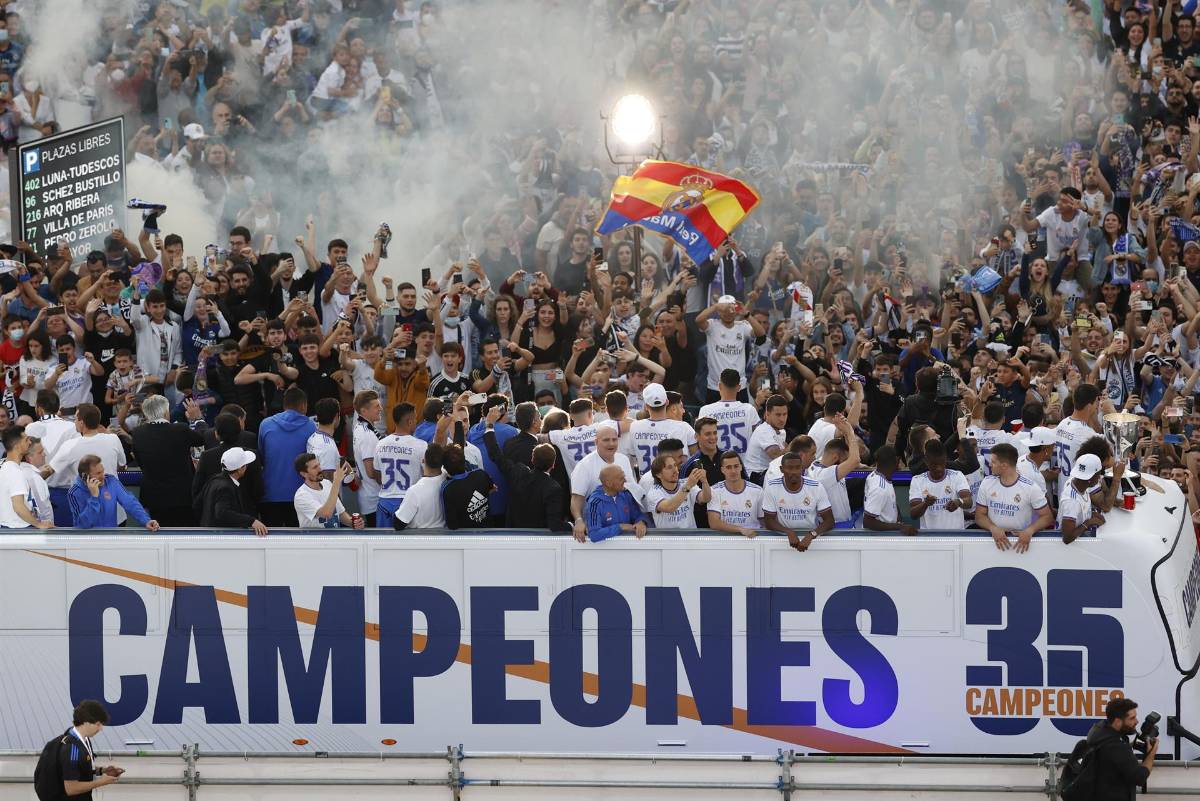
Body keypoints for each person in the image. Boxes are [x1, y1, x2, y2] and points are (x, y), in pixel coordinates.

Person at [481, 405, 569, 530]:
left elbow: (496, 455)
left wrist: (489, 425)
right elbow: (559, 482)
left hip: (515, 519)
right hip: (542, 519)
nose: (541, 420)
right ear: (534, 422)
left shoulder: (509, 444)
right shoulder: (547, 451)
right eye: (539, 417)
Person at [128, 395, 207, 526]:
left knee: (160, 534)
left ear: (146, 414)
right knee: (186, 534)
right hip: (183, 497)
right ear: (166, 412)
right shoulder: (180, 429)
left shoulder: (137, 434)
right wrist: (198, 419)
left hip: (154, 497)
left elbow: (141, 462)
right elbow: (202, 437)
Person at [44, 404, 125, 527]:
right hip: (115, 513)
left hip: (89, 517)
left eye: (76, 419)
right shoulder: (114, 439)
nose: (74, 422)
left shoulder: (70, 445)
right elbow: (122, 466)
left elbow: (49, 470)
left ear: (82, 423)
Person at [34, 699, 124, 801]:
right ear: (85, 722)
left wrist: (102, 770)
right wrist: (101, 782)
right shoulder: (72, 748)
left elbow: (80, 768)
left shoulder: (83, 739)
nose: (101, 729)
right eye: (98, 724)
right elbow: (71, 788)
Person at [974, 443, 1054, 553]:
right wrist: (993, 528)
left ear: (1004, 466)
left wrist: (1029, 531)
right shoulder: (987, 483)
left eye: (993, 462)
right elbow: (979, 516)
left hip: (1021, 545)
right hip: (994, 543)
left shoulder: (1030, 487)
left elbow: (1047, 517)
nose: (990, 464)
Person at [257, 387, 316, 526]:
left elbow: (262, 456)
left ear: (284, 405)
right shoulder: (311, 426)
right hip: (301, 495)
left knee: (270, 537)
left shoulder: (265, 425)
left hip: (270, 494)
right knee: (298, 538)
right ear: (304, 405)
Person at [570, 422, 639, 540]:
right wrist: (579, 520)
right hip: (599, 529)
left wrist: (639, 519)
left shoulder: (624, 459)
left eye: (614, 439)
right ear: (596, 442)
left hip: (625, 528)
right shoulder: (584, 465)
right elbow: (576, 498)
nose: (611, 443)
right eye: (606, 440)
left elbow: (631, 491)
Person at [1082, 697, 1158, 801]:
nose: (1137, 721)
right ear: (1117, 721)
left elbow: (1113, 757)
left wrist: (1130, 745)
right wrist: (1152, 752)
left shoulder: (1099, 730)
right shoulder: (1117, 746)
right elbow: (1140, 777)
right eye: (1132, 718)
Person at [762, 451, 833, 551]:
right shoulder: (772, 486)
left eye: (797, 468)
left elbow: (829, 520)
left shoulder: (816, 486)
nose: (794, 471)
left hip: (811, 540)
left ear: (802, 468)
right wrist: (788, 532)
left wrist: (812, 534)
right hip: (783, 540)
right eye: (790, 468)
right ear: (782, 469)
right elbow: (768, 521)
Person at [67, 455, 159, 530]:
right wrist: (94, 497)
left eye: (102, 471)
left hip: (110, 536)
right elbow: (83, 524)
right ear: (84, 476)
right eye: (98, 473)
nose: (103, 476)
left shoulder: (111, 481)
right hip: (87, 540)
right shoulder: (74, 493)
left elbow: (130, 502)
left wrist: (146, 521)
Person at [374, 402, 428, 521]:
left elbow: (377, 475)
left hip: (385, 502)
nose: (417, 422)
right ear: (410, 422)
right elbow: (427, 476)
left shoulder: (380, 444)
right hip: (410, 503)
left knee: (382, 534)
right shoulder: (421, 446)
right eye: (415, 419)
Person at [198, 448, 269, 536]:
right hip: (220, 538)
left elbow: (199, 504)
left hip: (211, 534)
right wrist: (252, 521)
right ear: (240, 469)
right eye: (245, 465)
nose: (246, 467)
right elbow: (222, 513)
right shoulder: (225, 488)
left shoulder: (214, 480)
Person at [627, 383, 696, 474]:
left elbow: (632, 458)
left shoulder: (634, 426)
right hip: (674, 481)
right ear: (666, 402)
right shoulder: (683, 427)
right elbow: (696, 458)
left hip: (644, 481)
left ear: (646, 406)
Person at [909, 439, 973, 530]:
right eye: (934, 464)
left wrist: (959, 502)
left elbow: (969, 501)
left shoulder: (957, 475)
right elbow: (913, 514)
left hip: (956, 535)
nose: (939, 468)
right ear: (926, 461)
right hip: (929, 536)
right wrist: (925, 504)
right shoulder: (917, 480)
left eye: (942, 463)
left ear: (946, 459)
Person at [697, 369, 759, 456]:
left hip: (717, 462)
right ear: (739, 387)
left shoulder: (705, 410)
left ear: (719, 386)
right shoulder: (749, 409)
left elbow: (699, 440)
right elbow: (758, 438)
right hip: (743, 462)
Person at [582, 463, 650, 542]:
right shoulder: (594, 503)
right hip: (607, 548)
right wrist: (620, 527)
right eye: (621, 478)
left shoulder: (626, 495)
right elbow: (594, 534)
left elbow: (638, 515)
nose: (625, 480)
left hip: (628, 545)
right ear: (609, 483)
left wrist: (641, 522)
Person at [293, 454, 366, 528]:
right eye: (315, 467)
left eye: (319, 465)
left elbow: (340, 514)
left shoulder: (327, 483)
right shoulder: (302, 495)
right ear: (304, 474)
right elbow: (326, 514)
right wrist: (336, 481)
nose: (320, 469)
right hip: (315, 536)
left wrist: (353, 523)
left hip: (334, 534)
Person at [0, 426, 50, 528]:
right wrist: (39, 524)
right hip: (18, 528)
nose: (30, 442)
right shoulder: (14, 471)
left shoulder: (6, 466)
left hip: (11, 527)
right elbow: (18, 506)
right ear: (17, 446)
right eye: (26, 440)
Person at [644, 452, 711, 529]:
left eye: (675, 465)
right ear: (658, 474)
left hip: (690, 534)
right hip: (668, 536)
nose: (675, 470)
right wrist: (688, 485)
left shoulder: (686, 483)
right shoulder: (654, 493)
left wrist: (704, 481)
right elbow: (670, 507)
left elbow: (706, 498)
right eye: (669, 467)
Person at [706, 451, 763, 537]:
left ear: (741, 467)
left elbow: (764, 521)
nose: (733, 471)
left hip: (752, 539)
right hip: (725, 539)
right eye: (728, 467)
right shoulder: (714, 491)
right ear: (722, 470)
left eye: (736, 466)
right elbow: (714, 523)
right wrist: (741, 530)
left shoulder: (757, 491)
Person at [862, 446, 917, 535]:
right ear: (896, 462)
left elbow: (890, 502)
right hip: (881, 538)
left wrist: (899, 521)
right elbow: (868, 522)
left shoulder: (879, 476)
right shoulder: (879, 489)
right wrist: (899, 527)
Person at [393, 444, 448, 530]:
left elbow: (398, 524)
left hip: (421, 536)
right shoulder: (446, 477)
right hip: (443, 534)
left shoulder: (415, 491)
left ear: (423, 461)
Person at [440, 444, 494, 529]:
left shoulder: (448, 489)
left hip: (466, 536)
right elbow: (493, 488)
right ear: (464, 461)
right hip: (487, 530)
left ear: (445, 467)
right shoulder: (481, 474)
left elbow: (452, 525)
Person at [1059, 454, 1107, 545]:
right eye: (1098, 475)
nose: (1099, 478)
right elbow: (1067, 538)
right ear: (1090, 478)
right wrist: (1088, 523)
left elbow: (1079, 512)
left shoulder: (1080, 483)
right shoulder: (1072, 502)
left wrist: (1091, 514)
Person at [744, 394, 789, 484]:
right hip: (755, 478)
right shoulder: (764, 431)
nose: (782, 419)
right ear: (767, 414)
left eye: (784, 414)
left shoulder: (781, 431)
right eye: (778, 415)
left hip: (768, 474)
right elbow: (779, 457)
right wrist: (796, 444)